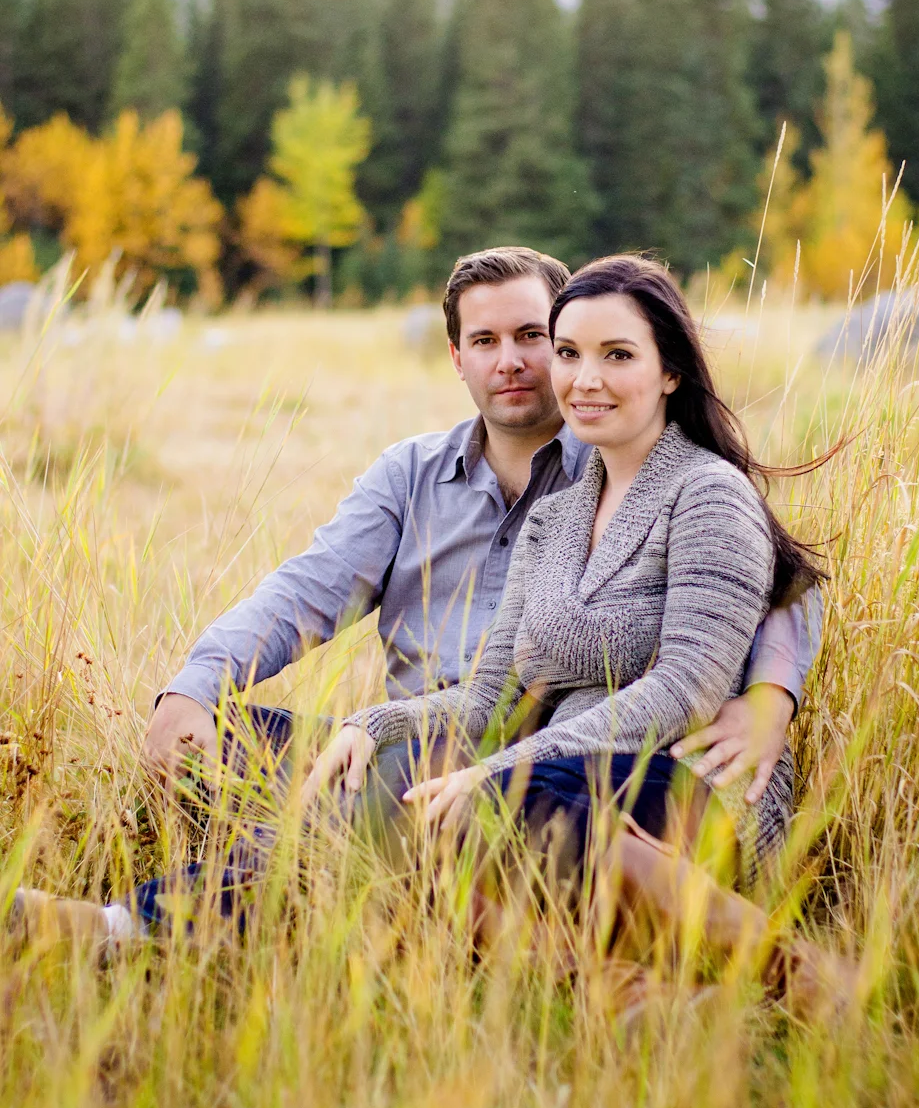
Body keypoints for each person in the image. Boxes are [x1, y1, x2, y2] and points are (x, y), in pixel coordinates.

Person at [11, 248, 820, 952]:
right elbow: (306, 589)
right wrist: (197, 685)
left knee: (397, 788)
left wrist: (769, 695)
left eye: (535, 338)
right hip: (447, 725)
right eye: (485, 341)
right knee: (223, 744)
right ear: (455, 357)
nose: (515, 361)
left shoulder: (634, 458)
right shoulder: (427, 478)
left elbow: (777, 581)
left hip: (537, 757)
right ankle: (336, 886)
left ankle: (150, 924)